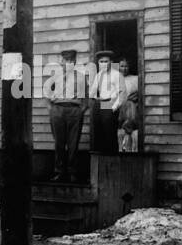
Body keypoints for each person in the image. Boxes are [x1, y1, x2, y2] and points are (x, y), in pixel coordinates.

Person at [45, 48, 89, 182]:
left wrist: (82, 109)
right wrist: (51, 109)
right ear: (61, 61)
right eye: (65, 60)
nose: (67, 63)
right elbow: (46, 92)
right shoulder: (54, 76)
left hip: (74, 110)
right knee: (59, 143)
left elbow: (86, 96)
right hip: (57, 110)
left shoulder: (81, 77)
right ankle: (59, 172)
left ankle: (72, 172)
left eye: (71, 60)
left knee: (73, 143)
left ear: (75, 62)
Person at [89, 50, 126, 156]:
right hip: (99, 105)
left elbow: (122, 94)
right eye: (101, 61)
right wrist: (96, 99)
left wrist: (113, 107)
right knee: (98, 133)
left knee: (109, 134)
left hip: (109, 104)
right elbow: (92, 93)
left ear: (111, 62)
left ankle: (111, 160)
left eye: (106, 61)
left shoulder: (117, 75)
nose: (104, 64)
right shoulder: (98, 75)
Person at [116, 57, 141, 152]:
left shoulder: (135, 79)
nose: (124, 68)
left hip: (132, 107)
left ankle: (129, 126)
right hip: (120, 108)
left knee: (130, 105)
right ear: (118, 67)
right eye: (122, 66)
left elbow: (139, 95)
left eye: (126, 66)